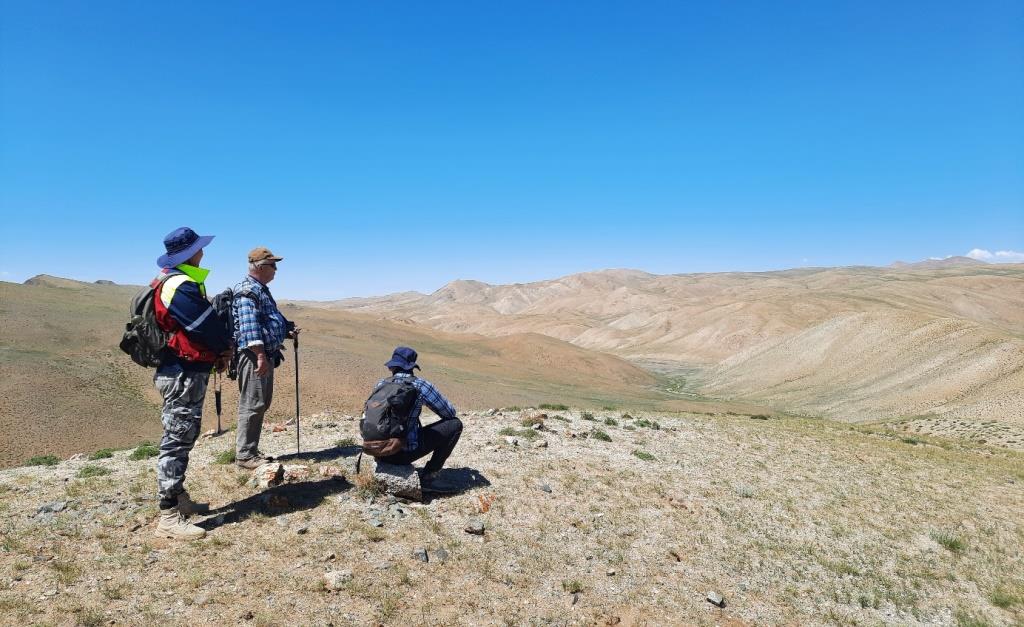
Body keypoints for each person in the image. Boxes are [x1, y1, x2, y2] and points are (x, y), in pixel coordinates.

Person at [152, 227, 232, 540]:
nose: (203, 252)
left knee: (184, 434)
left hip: (186, 370)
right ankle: (168, 514)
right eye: (199, 248)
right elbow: (204, 327)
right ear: (189, 253)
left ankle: (179, 499)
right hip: (181, 372)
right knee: (177, 437)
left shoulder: (175, 280)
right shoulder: (180, 285)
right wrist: (225, 346)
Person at [232, 247, 298, 469]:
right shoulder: (247, 290)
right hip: (253, 357)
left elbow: (266, 320)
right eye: (273, 265)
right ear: (260, 267)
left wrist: (286, 331)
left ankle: (250, 449)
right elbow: (250, 326)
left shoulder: (259, 289)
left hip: (262, 355)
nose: (276, 270)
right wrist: (260, 355)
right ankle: (245, 456)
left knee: (260, 402)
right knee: (252, 403)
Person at [368, 346, 462, 485]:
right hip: (402, 454)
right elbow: (449, 413)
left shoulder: (381, 384)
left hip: (377, 452)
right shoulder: (421, 385)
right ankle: (430, 475)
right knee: (455, 424)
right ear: (412, 366)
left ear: (391, 367)